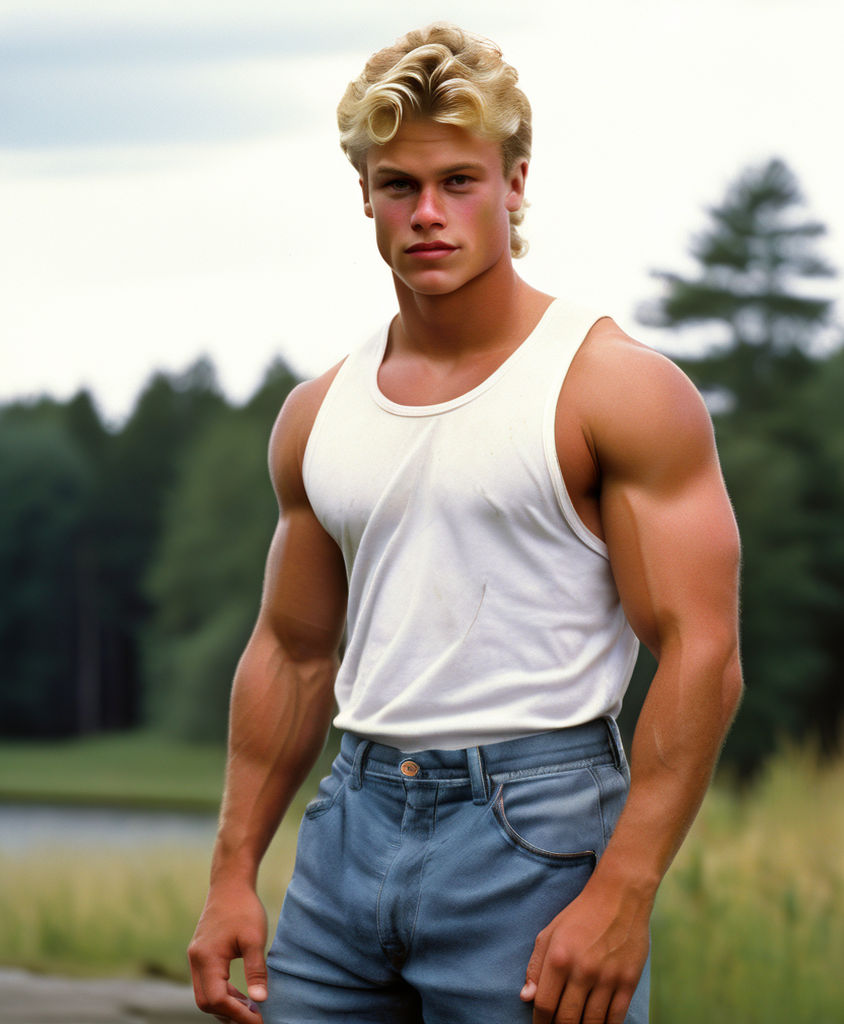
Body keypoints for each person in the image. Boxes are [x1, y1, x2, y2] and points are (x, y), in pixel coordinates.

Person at [188, 23, 742, 1024]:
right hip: (347, 828)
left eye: (460, 180)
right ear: (364, 195)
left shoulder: (613, 389)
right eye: (399, 185)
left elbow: (701, 649)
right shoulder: (320, 413)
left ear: (515, 183)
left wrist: (623, 891)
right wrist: (233, 874)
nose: (428, 214)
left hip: (534, 832)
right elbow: (292, 651)